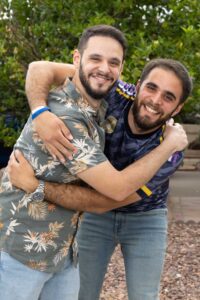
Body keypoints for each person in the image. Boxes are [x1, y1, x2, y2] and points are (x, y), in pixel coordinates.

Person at [0, 25, 188, 300]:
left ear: (177, 108)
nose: (156, 100)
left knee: (145, 295)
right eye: (151, 88)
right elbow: (40, 68)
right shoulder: (101, 95)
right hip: (44, 236)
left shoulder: (170, 151)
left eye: (169, 97)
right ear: (136, 87)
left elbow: (114, 194)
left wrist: (35, 185)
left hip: (134, 215)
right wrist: (40, 112)